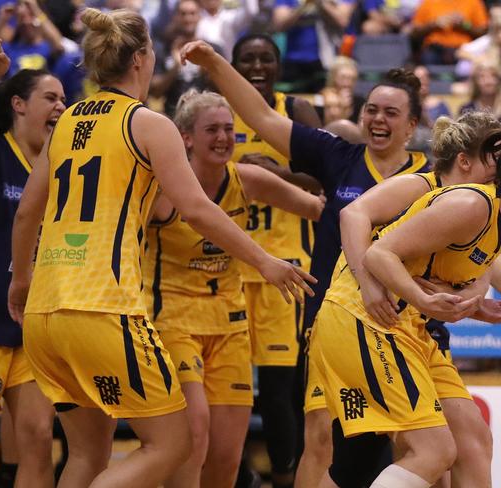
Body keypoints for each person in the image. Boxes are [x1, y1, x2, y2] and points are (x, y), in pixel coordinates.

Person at [7, 9, 315, 488]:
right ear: (140, 60)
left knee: (87, 455)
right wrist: (265, 260)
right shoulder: (148, 123)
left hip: (45, 312)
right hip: (104, 307)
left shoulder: (66, 122)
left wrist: (21, 280)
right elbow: (195, 208)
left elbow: (28, 212)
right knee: (175, 444)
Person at [182, 41, 430, 486]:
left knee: (417, 444)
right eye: (371, 110)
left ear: (412, 125)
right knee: (319, 438)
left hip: (400, 324)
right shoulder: (339, 157)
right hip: (334, 320)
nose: (377, 119)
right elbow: (262, 118)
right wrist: (214, 63)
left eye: (391, 113)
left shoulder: (431, 175)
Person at [312, 129, 501, 488]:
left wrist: (495, 305)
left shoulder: (500, 222)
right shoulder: (467, 202)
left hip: (410, 326)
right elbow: (378, 253)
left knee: (472, 441)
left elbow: (456, 271)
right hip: (364, 316)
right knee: (432, 451)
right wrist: (425, 300)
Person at [142, 89, 323, 488]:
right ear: (186, 137)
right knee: (195, 433)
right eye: (212, 130)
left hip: (229, 324)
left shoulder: (247, 178)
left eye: (229, 129)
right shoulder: (160, 189)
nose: (224, 138)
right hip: (171, 320)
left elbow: (318, 209)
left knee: (226, 456)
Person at [0, 41, 65, 486]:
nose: (62, 106)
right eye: (51, 98)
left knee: (38, 440)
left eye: (64, 99)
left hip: (31, 329)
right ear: (18, 105)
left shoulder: (61, 170)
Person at [230, 34, 322, 488]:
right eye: (248, 59)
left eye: (266, 58)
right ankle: (236, 473)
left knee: (279, 391)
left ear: (279, 66)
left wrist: (275, 175)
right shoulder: (216, 110)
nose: (258, 66)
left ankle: (285, 478)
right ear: (233, 65)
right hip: (225, 268)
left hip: (285, 267)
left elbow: (329, 173)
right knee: (225, 389)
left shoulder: (296, 111)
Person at [459, 61, 501, 134]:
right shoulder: (466, 110)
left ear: (499, 80)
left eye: (493, 76)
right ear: (475, 82)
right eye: (482, 77)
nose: (488, 82)